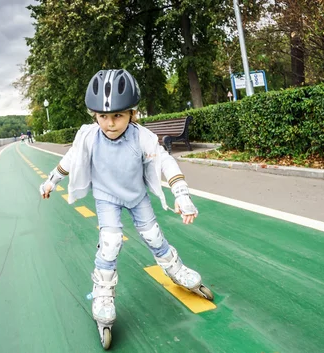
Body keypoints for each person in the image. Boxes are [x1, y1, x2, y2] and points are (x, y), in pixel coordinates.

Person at [39, 69, 212, 349]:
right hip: (107, 198)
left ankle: (176, 270)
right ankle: (103, 292)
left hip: (136, 197)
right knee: (110, 243)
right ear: (93, 114)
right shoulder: (88, 138)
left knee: (154, 236)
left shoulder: (141, 137)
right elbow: (69, 160)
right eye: (103, 116)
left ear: (132, 113)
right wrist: (50, 181)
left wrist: (181, 195)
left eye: (118, 115)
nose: (110, 123)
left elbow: (166, 163)